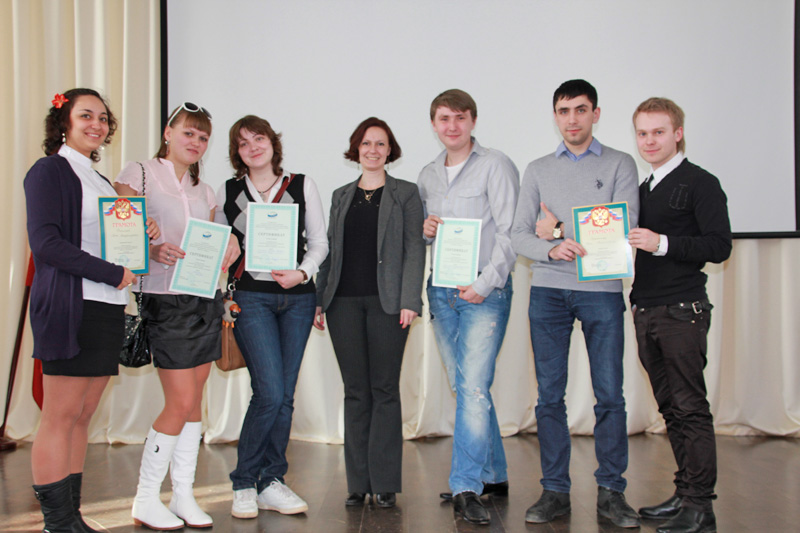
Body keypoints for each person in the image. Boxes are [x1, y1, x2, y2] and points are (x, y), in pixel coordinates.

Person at [510, 79, 640, 528]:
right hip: (548, 291)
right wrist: (550, 248)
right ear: (555, 116)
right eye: (564, 111)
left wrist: (559, 231)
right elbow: (519, 234)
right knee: (549, 397)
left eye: (581, 110)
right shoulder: (537, 169)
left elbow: (622, 228)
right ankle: (555, 491)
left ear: (595, 114)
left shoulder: (620, 163)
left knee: (610, 396)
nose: (572, 119)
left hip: (601, 292)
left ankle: (612, 492)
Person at [24, 88, 155, 532]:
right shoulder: (49, 171)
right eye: (86, 116)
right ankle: (57, 522)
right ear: (64, 122)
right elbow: (46, 244)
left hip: (107, 307)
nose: (96, 125)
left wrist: (142, 232)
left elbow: (111, 241)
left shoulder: (99, 180)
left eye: (102, 118)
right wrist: (110, 271)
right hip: (70, 305)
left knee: (83, 416)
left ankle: (71, 516)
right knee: (60, 416)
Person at [115, 102, 239, 530]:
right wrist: (151, 249)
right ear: (168, 133)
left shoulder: (206, 191)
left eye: (203, 137)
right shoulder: (139, 173)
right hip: (163, 300)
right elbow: (119, 233)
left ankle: (183, 494)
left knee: (194, 402)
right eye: (189, 132)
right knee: (180, 401)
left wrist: (229, 245)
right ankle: (145, 498)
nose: (196, 142)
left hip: (203, 298)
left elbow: (215, 241)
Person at [215, 115, 328, 519]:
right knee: (269, 392)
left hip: (297, 300)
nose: (253, 148)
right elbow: (220, 248)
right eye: (243, 143)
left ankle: (272, 481)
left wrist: (303, 273)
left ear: (272, 143)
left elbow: (319, 243)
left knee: (285, 396)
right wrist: (227, 243)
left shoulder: (301, 185)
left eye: (258, 139)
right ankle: (245, 482)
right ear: (237, 152)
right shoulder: (229, 191)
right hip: (251, 299)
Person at [628, 97, 731, 533]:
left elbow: (719, 246)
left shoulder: (700, 183)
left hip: (682, 311)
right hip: (647, 309)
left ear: (678, 133)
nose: (649, 141)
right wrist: (558, 230)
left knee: (690, 408)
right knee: (671, 409)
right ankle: (685, 493)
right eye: (642, 133)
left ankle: (700, 506)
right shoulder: (642, 189)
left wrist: (662, 243)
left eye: (658, 132)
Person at [418, 89, 519, 526]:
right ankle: (493, 474)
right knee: (468, 388)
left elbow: (511, 233)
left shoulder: (496, 165)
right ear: (434, 124)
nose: (452, 126)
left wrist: (483, 284)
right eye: (444, 118)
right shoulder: (427, 174)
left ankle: (465, 485)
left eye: (460, 117)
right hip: (442, 291)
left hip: (483, 292)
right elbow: (426, 236)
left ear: (473, 121)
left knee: (473, 388)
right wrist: (425, 230)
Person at [314, 117, 425, 509]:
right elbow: (329, 250)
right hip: (341, 304)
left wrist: (411, 299)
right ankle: (358, 482)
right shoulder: (341, 195)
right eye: (366, 143)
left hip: (389, 304)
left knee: (385, 389)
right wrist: (318, 299)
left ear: (389, 150)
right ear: (356, 149)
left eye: (380, 144)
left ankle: (385, 482)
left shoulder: (405, 193)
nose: (373, 150)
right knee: (355, 391)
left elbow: (414, 247)